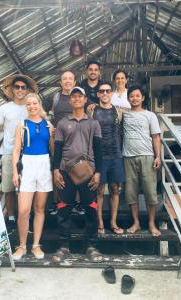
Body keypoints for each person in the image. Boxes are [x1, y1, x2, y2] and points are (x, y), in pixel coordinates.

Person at [53, 86, 103, 262]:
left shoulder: (93, 123)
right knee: (64, 208)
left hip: (88, 172)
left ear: (84, 100)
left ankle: (91, 245)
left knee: (90, 208)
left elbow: (99, 150)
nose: (76, 99)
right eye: (73, 96)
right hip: (65, 171)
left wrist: (98, 173)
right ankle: (63, 246)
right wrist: (55, 170)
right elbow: (57, 149)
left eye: (79, 96)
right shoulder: (62, 123)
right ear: (70, 100)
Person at [0, 74, 37, 230]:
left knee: (27, 187)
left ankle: (27, 218)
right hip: (9, 151)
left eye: (23, 87)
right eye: (17, 87)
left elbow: (40, 121)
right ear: (12, 89)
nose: (20, 90)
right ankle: (10, 218)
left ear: (27, 89)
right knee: (9, 187)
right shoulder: (4, 108)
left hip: (30, 153)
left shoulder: (31, 106)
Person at [12, 93, 53, 260]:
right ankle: (22, 245)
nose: (32, 106)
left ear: (39, 104)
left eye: (34, 103)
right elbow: (16, 150)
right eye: (28, 104)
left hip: (44, 165)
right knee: (23, 210)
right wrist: (15, 171)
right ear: (26, 106)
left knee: (40, 208)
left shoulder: (48, 124)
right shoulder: (22, 124)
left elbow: (52, 148)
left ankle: (36, 245)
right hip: (27, 165)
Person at [43, 71, 85, 215]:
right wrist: (49, 123)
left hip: (77, 139)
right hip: (58, 139)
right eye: (64, 79)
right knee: (57, 168)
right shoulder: (54, 97)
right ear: (61, 82)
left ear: (74, 82)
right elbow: (40, 110)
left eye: (70, 79)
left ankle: (77, 203)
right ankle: (56, 202)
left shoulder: (79, 96)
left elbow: (92, 107)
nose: (67, 81)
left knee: (78, 168)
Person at [122, 85, 161, 236]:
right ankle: (136, 222)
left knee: (150, 192)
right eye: (131, 96)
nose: (134, 98)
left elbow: (156, 137)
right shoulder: (124, 115)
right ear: (128, 98)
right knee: (131, 192)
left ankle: (151, 223)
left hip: (147, 156)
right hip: (128, 157)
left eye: (137, 96)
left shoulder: (150, 115)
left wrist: (157, 156)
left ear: (143, 98)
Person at [91, 81, 125, 235]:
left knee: (115, 189)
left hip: (115, 154)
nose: (105, 94)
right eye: (102, 91)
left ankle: (113, 221)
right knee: (99, 190)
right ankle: (99, 222)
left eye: (107, 91)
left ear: (111, 93)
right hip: (99, 156)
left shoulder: (118, 111)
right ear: (98, 94)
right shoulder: (92, 111)